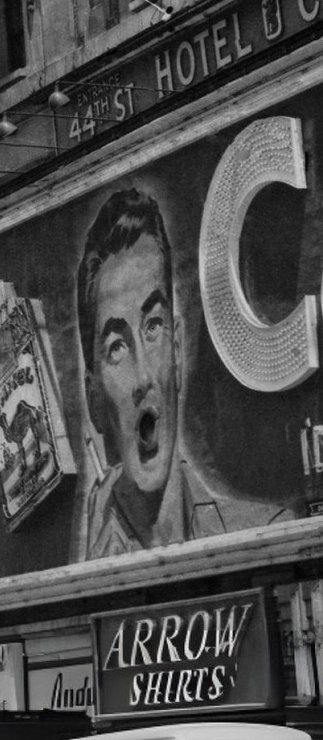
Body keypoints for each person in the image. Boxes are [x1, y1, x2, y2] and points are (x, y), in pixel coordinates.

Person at [72, 187, 290, 559]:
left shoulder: (265, 534)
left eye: (153, 326)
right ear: (94, 400)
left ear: (176, 352)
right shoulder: (86, 559)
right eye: (117, 347)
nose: (144, 378)